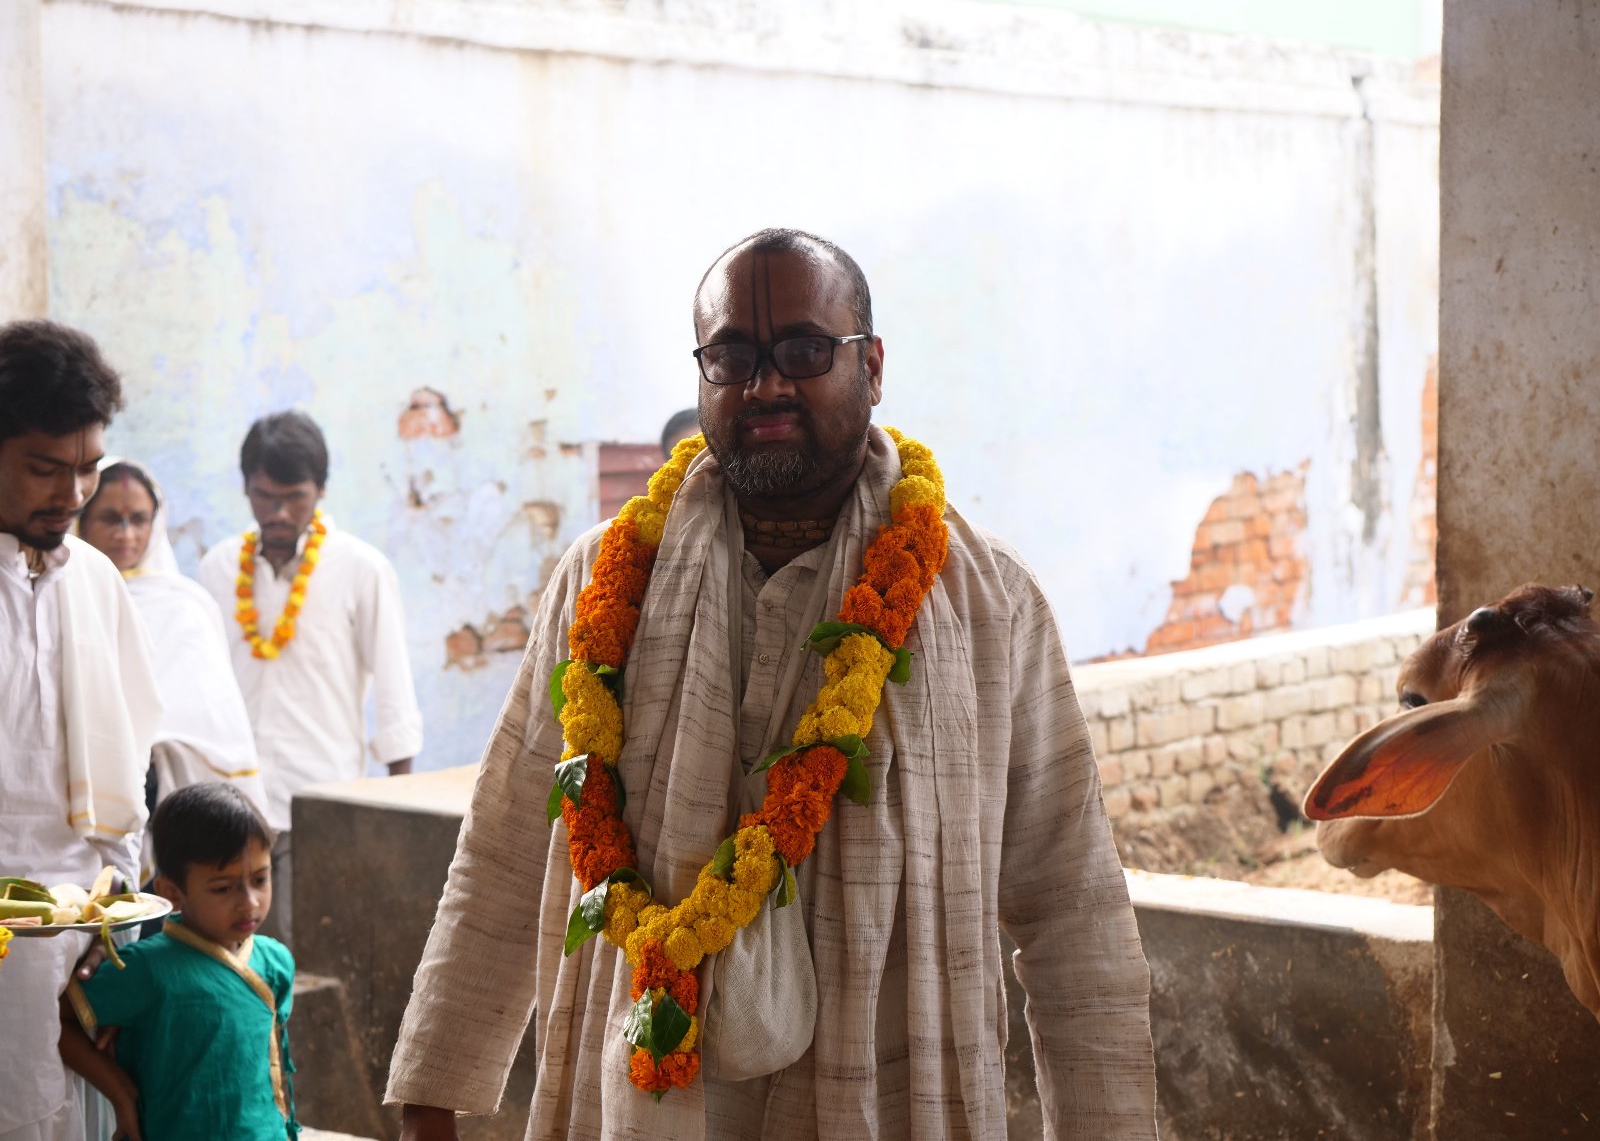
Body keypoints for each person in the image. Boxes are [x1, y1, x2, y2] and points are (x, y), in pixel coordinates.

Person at [386, 230, 1157, 1139]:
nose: (765, 386)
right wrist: (430, 1093)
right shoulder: (601, 584)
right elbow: (506, 848)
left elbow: (1072, 909)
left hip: (887, 1103)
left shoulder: (988, 602)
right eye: (733, 357)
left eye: (803, 350)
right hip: (646, 1105)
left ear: (873, 367)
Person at [0, 319, 162, 1141]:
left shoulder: (97, 581)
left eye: (87, 467)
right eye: (43, 468)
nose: (72, 494)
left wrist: (116, 913)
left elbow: (130, 758)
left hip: (78, 938)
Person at [197, 410, 422, 944]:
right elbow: (201, 688)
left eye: (294, 497)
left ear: (320, 490)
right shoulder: (217, 568)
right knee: (234, 958)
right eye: (263, 496)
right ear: (245, 488)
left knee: (315, 957)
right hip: (232, 804)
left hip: (322, 799)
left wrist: (399, 815)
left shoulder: (360, 568)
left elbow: (395, 693)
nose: (277, 512)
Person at [61, 782, 299, 1141]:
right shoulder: (145, 969)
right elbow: (61, 1020)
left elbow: (274, 1066)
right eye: (223, 888)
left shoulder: (275, 961)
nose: (250, 902)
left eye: (260, 879)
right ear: (172, 892)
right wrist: (121, 1094)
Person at [80, 458, 268, 870]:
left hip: (170, 799)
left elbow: (213, 718)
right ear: (82, 519)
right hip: (81, 797)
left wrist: (149, 752)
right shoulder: (64, 597)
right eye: (110, 519)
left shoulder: (187, 606)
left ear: (156, 523)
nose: (126, 534)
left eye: (138, 519)